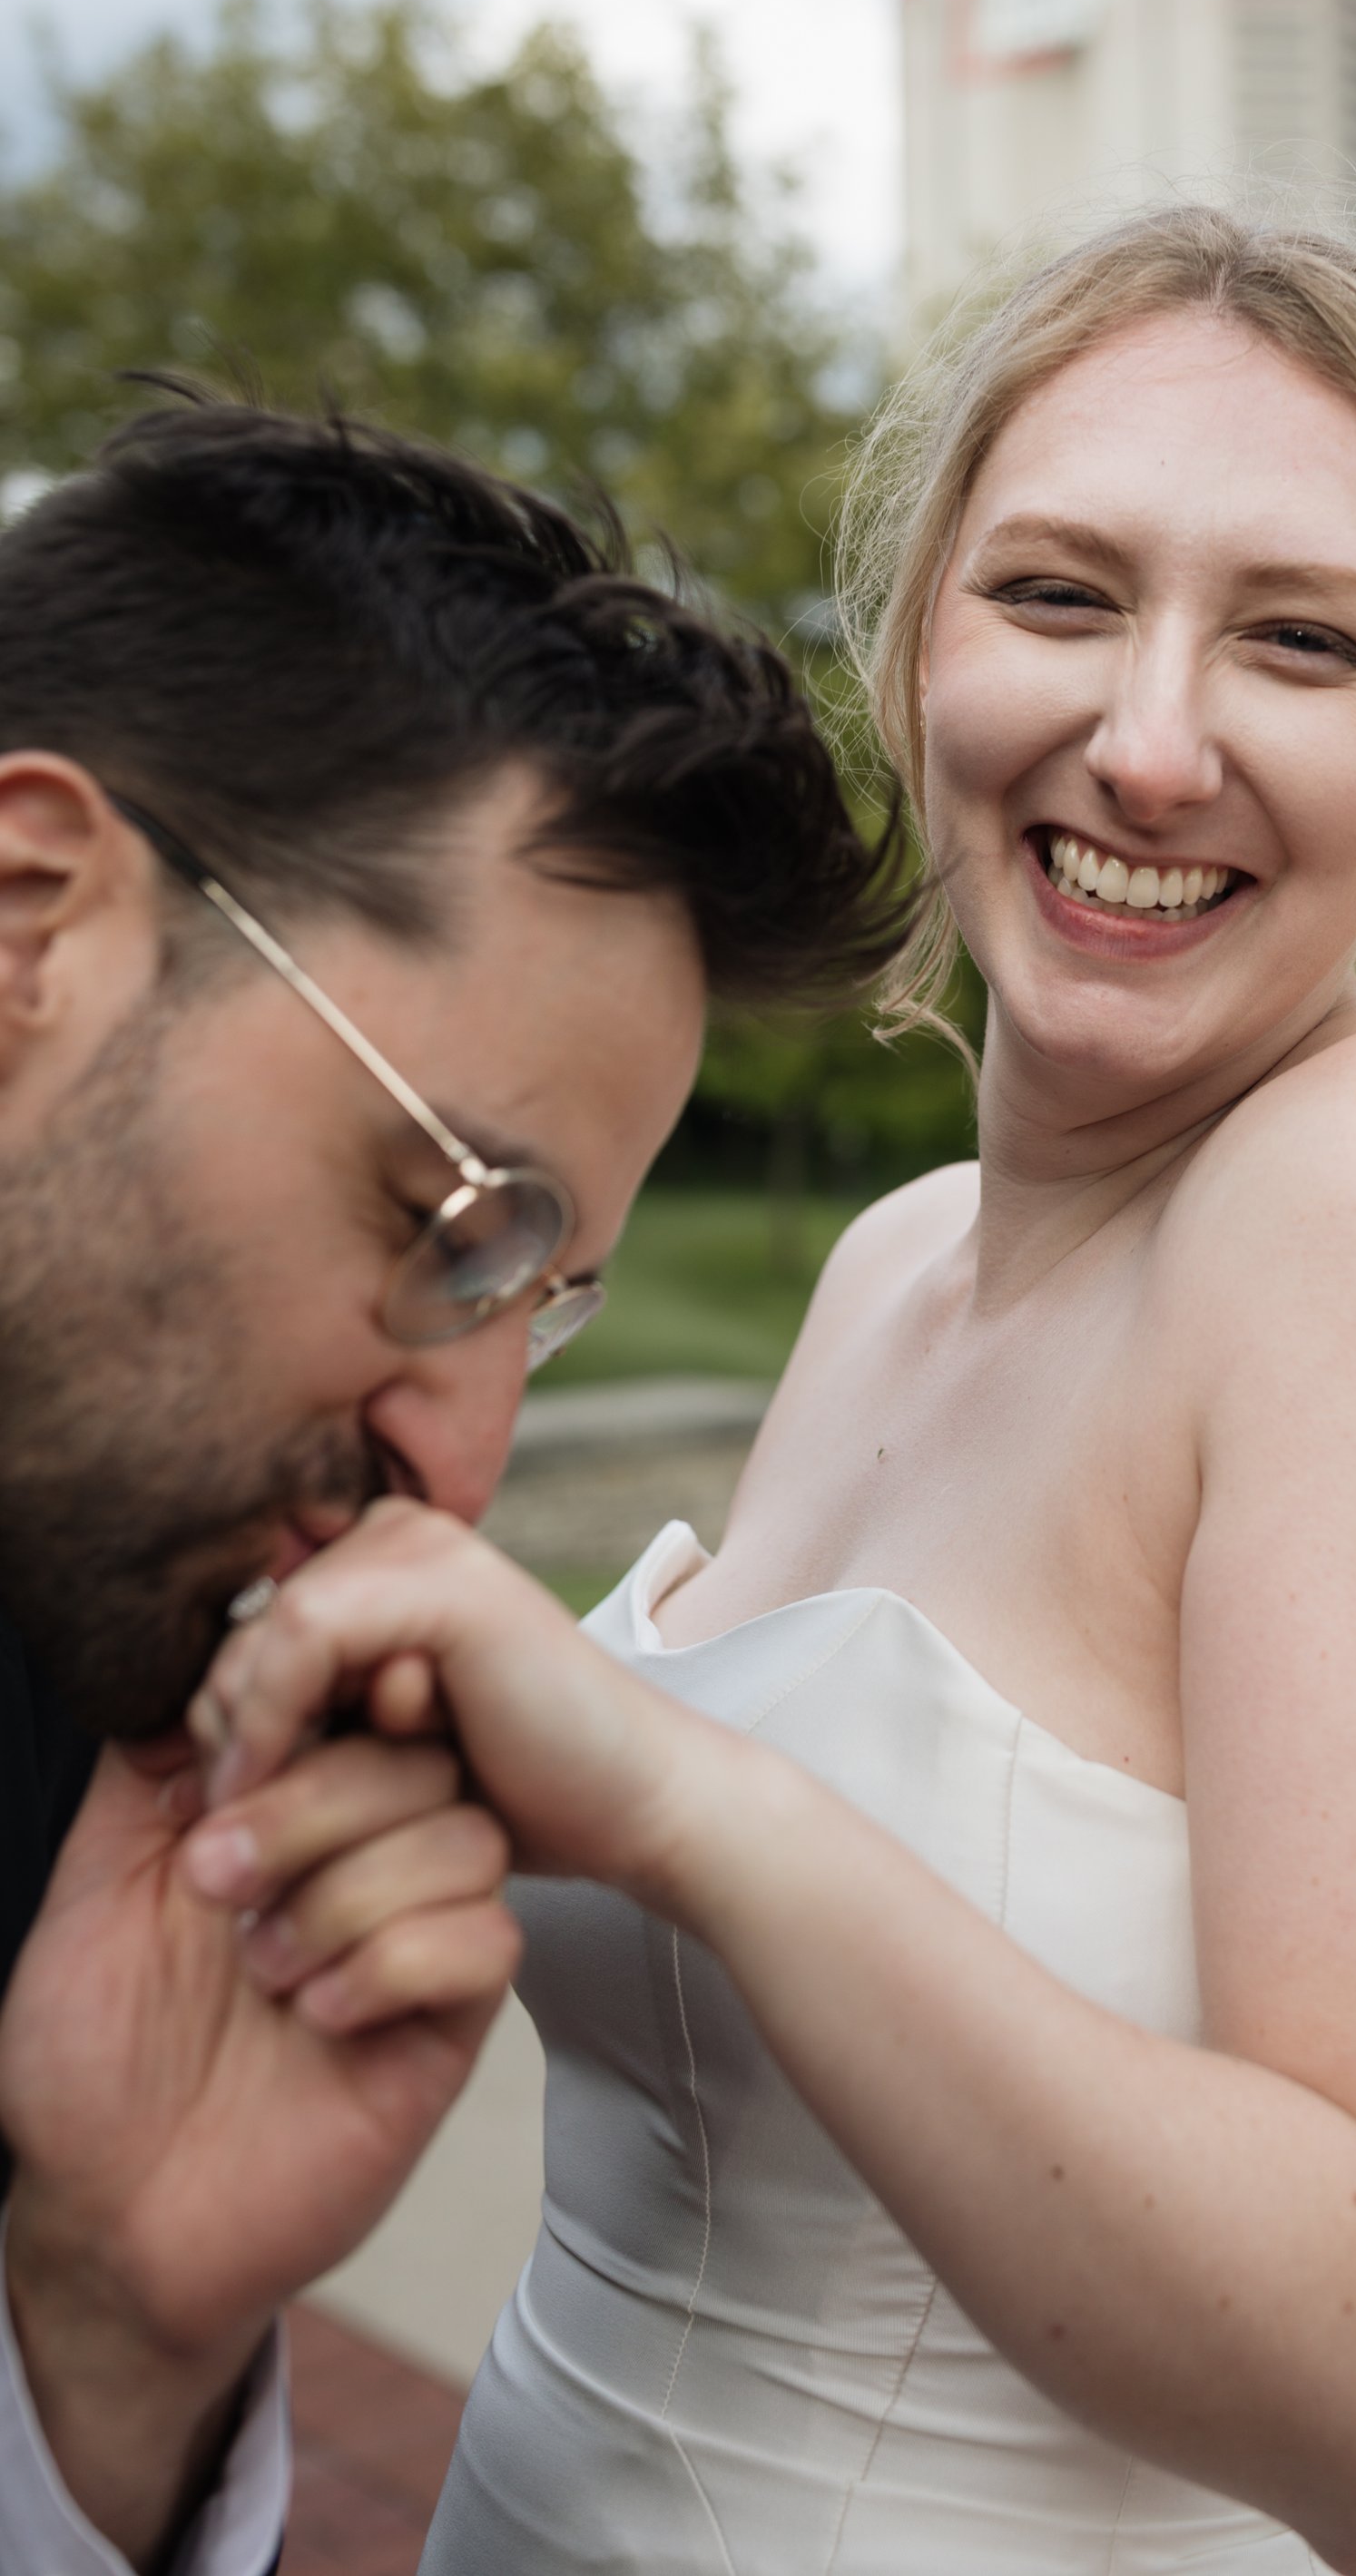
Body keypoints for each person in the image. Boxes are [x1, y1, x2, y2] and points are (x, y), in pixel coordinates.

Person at [195, 211, 1356, 2575]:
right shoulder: (898, 1260)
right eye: (1060, 594)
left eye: (1298, 639)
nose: (1151, 735)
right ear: (913, 649)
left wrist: (684, 1804)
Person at [0, 396, 906, 2576]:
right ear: (32, 921)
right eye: (459, 1218)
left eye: (543, 1294)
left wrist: (102, 2340)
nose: (466, 1460)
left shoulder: (92, 1743)